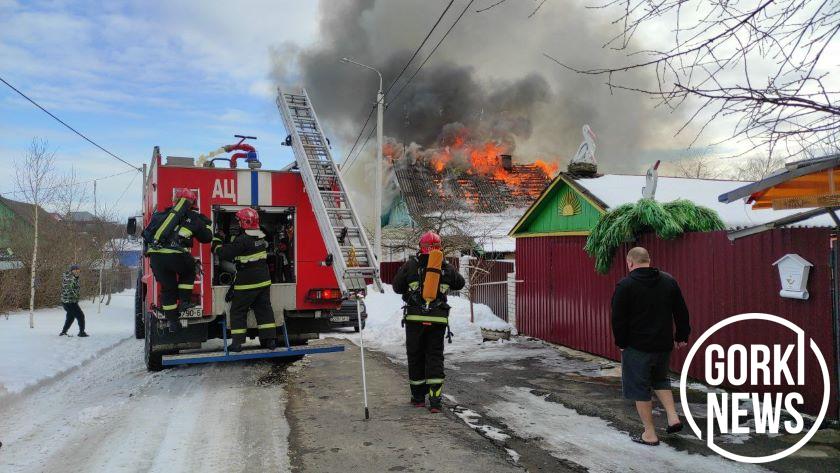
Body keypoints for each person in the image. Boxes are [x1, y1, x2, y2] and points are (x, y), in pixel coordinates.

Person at [611, 247, 691, 446]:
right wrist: (682, 336)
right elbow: (681, 311)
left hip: (637, 347)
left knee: (639, 388)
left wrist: (621, 343)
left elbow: (618, 319)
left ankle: (650, 434)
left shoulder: (625, 285)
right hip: (663, 345)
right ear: (649, 260)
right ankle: (673, 417)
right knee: (660, 380)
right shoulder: (668, 281)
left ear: (630, 262)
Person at [392, 231, 465, 413]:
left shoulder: (411, 265)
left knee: (416, 356)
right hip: (437, 319)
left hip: (415, 320)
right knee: (434, 357)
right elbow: (460, 283)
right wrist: (444, 269)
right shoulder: (445, 267)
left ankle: (418, 399)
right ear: (439, 248)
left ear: (420, 247)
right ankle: (435, 402)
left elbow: (396, 287)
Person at [143, 188, 213, 332]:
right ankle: (184, 302)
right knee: (188, 272)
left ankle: (173, 323)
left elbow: (146, 235)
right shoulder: (193, 216)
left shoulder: (160, 215)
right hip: (178, 256)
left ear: (175, 200)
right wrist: (205, 224)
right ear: (192, 203)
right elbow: (207, 238)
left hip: (156, 258)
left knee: (168, 288)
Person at [212, 207, 278, 352]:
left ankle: (237, 343)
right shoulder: (260, 237)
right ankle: (270, 341)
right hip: (263, 281)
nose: (238, 223)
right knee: (264, 310)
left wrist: (216, 241)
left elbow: (225, 253)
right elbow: (242, 247)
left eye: (239, 221)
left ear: (245, 222)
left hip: (247, 283)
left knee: (238, 311)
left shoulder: (242, 240)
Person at [60, 264, 88, 337]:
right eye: (75, 270)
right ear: (71, 270)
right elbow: (70, 288)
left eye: (78, 270)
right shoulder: (70, 278)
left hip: (68, 302)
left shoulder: (73, 277)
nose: (77, 272)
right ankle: (81, 332)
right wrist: (76, 295)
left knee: (70, 317)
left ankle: (63, 332)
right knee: (80, 316)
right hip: (70, 302)